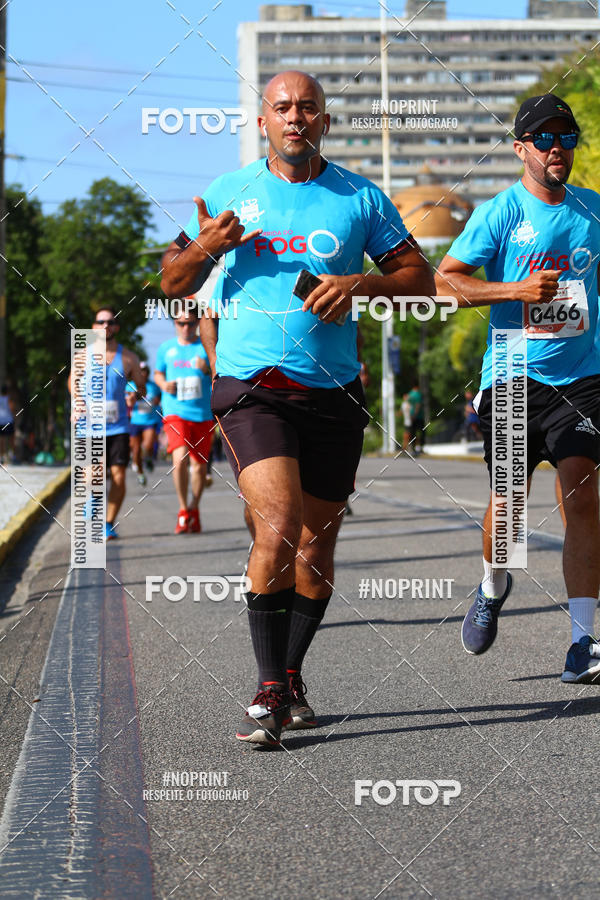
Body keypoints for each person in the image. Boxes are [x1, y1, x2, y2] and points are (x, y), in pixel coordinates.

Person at [161, 69, 434, 746]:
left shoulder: (359, 198)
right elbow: (171, 280)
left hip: (335, 390)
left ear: (326, 121)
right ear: (263, 123)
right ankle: (267, 689)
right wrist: (205, 248)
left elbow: (420, 278)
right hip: (253, 386)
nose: (296, 118)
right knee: (278, 524)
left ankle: (291, 670)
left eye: (308, 107)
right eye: (282, 107)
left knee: (316, 547)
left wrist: (359, 283)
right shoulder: (228, 194)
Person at [435, 93, 600, 683]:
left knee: (582, 497)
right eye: (546, 140)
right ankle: (492, 584)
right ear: (521, 149)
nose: (558, 149)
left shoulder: (593, 210)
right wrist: (515, 292)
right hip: (511, 376)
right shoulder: (501, 212)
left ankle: (584, 642)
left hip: (582, 380)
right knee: (509, 509)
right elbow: (444, 282)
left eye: (567, 139)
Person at [69, 307, 145, 540]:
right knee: (95, 474)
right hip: (90, 425)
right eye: (100, 322)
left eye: (110, 322)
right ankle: (92, 498)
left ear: (116, 327)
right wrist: (78, 400)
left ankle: (108, 523)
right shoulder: (84, 355)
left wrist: (134, 394)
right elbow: (72, 381)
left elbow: (141, 386)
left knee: (119, 477)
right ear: (93, 327)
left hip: (119, 426)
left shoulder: (128, 357)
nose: (105, 326)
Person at [154, 303, 213, 534]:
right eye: (180, 323)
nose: (185, 328)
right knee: (180, 458)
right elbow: (158, 372)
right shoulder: (166, 348)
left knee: (199, 469)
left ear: (197, 324)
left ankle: (194, 508)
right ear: (175, 324)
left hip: (202, 414)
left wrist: (207, 369)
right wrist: (163, 384)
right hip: (175, 412)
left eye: (190, 323)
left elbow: (221, 372)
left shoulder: (206, 347)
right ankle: (182, 509)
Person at [126, 362, 161, 486]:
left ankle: (149, 458)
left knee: (148, 445)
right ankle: (140, 473)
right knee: (135, 452)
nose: (143, 373)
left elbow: (158, 401)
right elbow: (127, 402)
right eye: (140, 370)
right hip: (135, 422)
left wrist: (155, 401)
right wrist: (131, 399)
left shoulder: (154, 387)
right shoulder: (130, 386)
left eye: (145, 370)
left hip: (149, 422)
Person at [408, 382, 425, 454]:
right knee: (421, 432)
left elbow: (408, 405)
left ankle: (413, 447)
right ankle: (421, 447)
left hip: (411, 415)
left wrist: (410, 415)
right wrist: (415, 414)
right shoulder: (418, 394)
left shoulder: (410, 394)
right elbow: (418, 405)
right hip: (418, 416)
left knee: (412, 432)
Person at [0, 384, 15, 464]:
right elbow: (11, 408)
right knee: (11, 438)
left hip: (0, 421)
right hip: (8, 420)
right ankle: (11, 455)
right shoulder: (9, 399)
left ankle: (1, 456)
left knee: (1, 439)